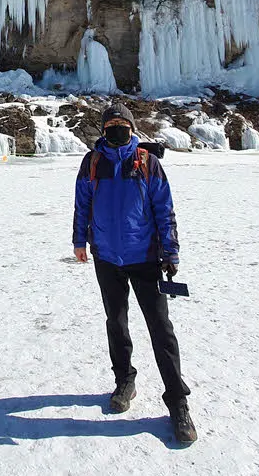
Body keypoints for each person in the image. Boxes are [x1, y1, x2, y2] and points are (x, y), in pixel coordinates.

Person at [72, 105, 196, 444]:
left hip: (145, 256)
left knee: (161, 328)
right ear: (102, 130)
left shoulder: (147, 162)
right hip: (107, 257)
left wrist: (170, 250)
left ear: (132, 128)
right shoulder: (92, 162)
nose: (116, 130)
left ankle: (177, 401)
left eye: (122, 125)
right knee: (116, 321)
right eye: (109, 125)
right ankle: (124, 380)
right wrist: (79, 239)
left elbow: (163, 207)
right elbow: (82, 202)